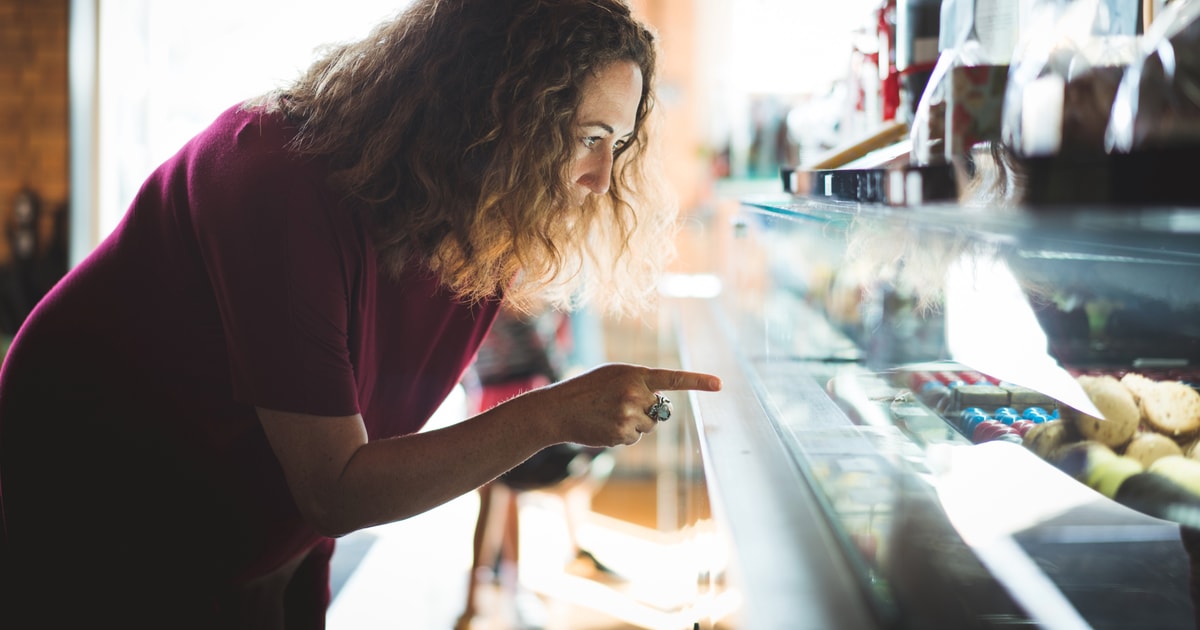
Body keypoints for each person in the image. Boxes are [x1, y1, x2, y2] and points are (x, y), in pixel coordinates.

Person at [0, 1, 722, 628]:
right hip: (95, 493)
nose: (601, 180)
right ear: (496, 110)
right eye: (589, 138)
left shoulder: (476, 230)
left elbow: (347, 448)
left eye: (618, 145)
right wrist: (553, 413)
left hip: (248, 516)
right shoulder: (276, 181)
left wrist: (279, 557)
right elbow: (336, 487)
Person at [455, 304, 617, 630]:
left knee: (497, 495)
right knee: (510, 488)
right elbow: (545, 357)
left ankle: (478, 601)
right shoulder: (526, 303)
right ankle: (513, 585)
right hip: (524, 400)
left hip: (484, 399)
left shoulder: (476, 300)